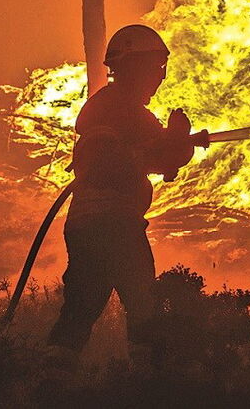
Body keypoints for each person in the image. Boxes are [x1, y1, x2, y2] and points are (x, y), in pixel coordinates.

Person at [46, 24, 196, 360]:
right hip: (115, 225)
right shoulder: (121, 110)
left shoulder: (112, 110)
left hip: (87, 225)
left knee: (79, 312)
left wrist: (177, 143)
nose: (159, 77)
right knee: (144, 309)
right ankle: (144, 380)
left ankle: (52, 379)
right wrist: (173, 142)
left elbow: (155, 157)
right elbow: (131, 160)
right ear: (133, 68)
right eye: (154, 68)